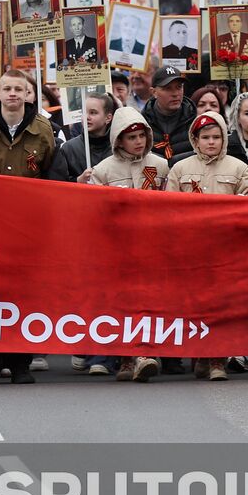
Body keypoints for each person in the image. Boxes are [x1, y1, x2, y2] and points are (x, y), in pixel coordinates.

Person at [0, 70, 67, 385]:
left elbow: (57, 177)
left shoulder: (46, 132)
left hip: (29, 229)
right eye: (8, 89)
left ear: (28, 94)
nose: (13, 94)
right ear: (0, 93)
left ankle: (20, 363)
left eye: (19, 89)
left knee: (24, 296)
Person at [166, 112, 248, 381]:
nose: (212, 142)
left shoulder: (239, 168)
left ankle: (218, 359)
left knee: (222, 306)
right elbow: (168, 208)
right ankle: (201, 354)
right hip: (192, 248)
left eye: (217, 137)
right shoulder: (179, 169)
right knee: (196, 304)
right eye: (205, 137)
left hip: (227, 249)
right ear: (195, 140)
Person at [85, 105, 169, 380]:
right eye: (131, 137)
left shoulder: (160, 165)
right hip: (118, 248)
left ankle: (145, 353)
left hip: (152, 246)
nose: (139, 141)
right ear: (119, 139)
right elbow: (94, 211)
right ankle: (124, 359)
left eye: (142, 135)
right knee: (121, 302)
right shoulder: (103, 170)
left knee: (148, 300)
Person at [142, 65, 197, 162]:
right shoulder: (142, 123)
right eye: (168, 88)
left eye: (179, 87)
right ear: (154, 92)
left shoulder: (195, 122)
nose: (175, 93)